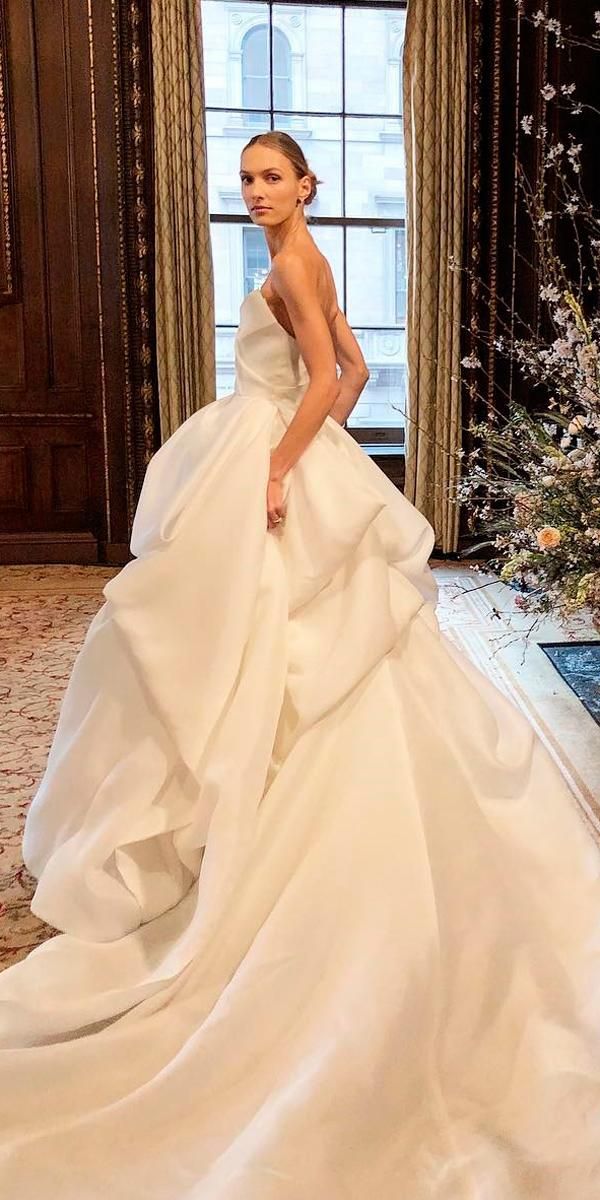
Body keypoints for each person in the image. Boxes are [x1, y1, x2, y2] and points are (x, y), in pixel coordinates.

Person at [0, 130, 600, 1199]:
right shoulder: (303, 262)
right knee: (252, 649)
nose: (256, 191)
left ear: (306, 185)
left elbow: (325, 379)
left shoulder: (289, 263)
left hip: (268, 458)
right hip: (275, 447)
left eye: (271, 177)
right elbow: (360, 371)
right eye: (246, 180)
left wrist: (277, 467)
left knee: (268, 653)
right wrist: (296, 433)